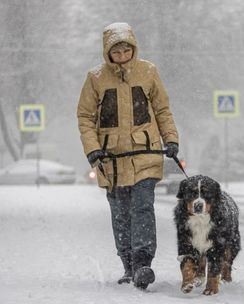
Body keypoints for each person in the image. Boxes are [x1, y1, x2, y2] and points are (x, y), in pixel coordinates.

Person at [77, 22, 179, 290]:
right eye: (116, 52)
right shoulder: (96, 78)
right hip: (111, 160)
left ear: (133, 48)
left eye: (126, 51)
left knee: (143, 207)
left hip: (146, 154)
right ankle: (128, 265)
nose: (122, 56)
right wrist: (93, 148)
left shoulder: (148, 72)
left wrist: (171, 139)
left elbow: (162, 110)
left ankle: (143, 262)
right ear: (108, 52)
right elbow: (85, 117)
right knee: (121, 213)